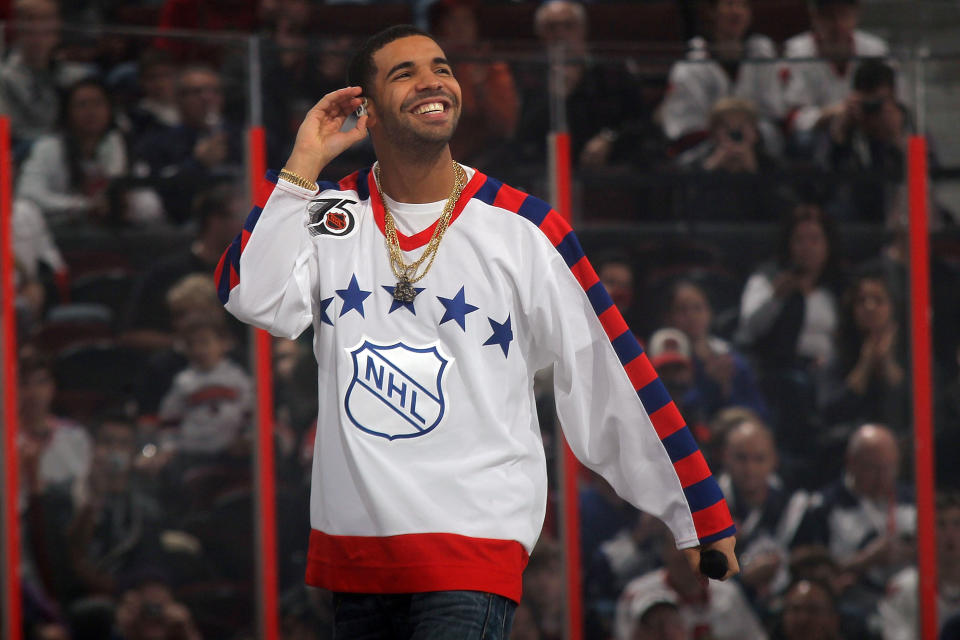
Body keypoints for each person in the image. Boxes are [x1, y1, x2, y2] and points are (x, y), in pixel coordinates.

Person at [216, 25, 738, 637]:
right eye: (403, 73)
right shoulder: (332, 214)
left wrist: (698, 514)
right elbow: (251, 295)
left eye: (441, 67)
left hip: (473, 545)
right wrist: (304, 161)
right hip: (357, 552)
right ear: (368, 109)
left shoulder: (524, 229)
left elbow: (611, 373)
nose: (432, 80)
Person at [792, 423, 916, 618]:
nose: (882, 477)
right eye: (872, 468)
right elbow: (806, 567)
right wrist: (865, 560)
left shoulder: (916, 502)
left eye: (890, 467)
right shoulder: (823, 507)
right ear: (851, 462)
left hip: (910, 604)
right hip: (850, 608)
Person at [660, 0, 783, 155]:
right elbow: (685, 126)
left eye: (743, 5)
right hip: (705, 154)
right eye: (730, 4)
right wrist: (724, 142)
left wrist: (746, 139)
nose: (737, 12)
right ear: (712, 12)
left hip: (756, 150)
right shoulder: (690, 63)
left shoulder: (763, 54)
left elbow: (772, 113)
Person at [782, 0, 890, 149]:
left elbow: (895, 102)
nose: (838, 24)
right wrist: (835, 112)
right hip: (820, 135)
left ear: (856, 14)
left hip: (868, 125)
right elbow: (793, 119)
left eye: (844, 15)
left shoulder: (875, 50)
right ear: (815, 17)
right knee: (804, 140)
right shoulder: (797, 52)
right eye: (830, 17)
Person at [663, 277, 768, 419]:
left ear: (709, 313)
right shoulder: (665, 360)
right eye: (682, 310)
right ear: (668, 317)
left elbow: (758, 410)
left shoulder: (730, 359)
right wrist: (709, 383)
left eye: (698, 308)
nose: (691, 316)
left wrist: (727, 388)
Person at [878, 492, 960, 640]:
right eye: (940, 524)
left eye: (957, 523)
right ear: (922, 533)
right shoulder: (903, 588)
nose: (950, 533)